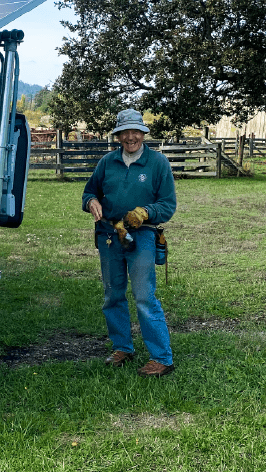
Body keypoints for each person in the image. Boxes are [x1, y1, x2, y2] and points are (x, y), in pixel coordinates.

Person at [82, 109, 176, 377]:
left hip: (143, 236)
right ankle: (122, 347)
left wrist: (146, 212)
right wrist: (92, 202)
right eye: (125, 132)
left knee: (145, 297)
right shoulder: (107, 162)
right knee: (113, 295)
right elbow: (90, 190)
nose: (131, 137)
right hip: (110, 236)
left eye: (136, 131)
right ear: (118, 135)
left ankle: (162, 358)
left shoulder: (158, 163)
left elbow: (167, 205)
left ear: (143, 134)